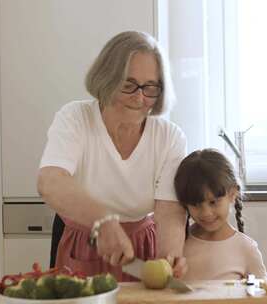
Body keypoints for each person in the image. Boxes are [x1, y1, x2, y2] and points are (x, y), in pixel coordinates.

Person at [37, 31, 188, 282]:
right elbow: (50, 181)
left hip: (142, 248)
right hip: (81, 241)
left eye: (150, 87)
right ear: (107, 79)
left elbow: (169, 210)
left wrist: (170, 255)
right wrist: (103, 222)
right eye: (128, 85)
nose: (139, 98)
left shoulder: (169, 137)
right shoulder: (75, 118)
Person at [174, 149, 267, 280]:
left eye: (213, 202)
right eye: (196, 204)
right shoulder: (177, 245)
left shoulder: (246, 249)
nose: (206, 213)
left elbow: (262, 298)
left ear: (232, 194)